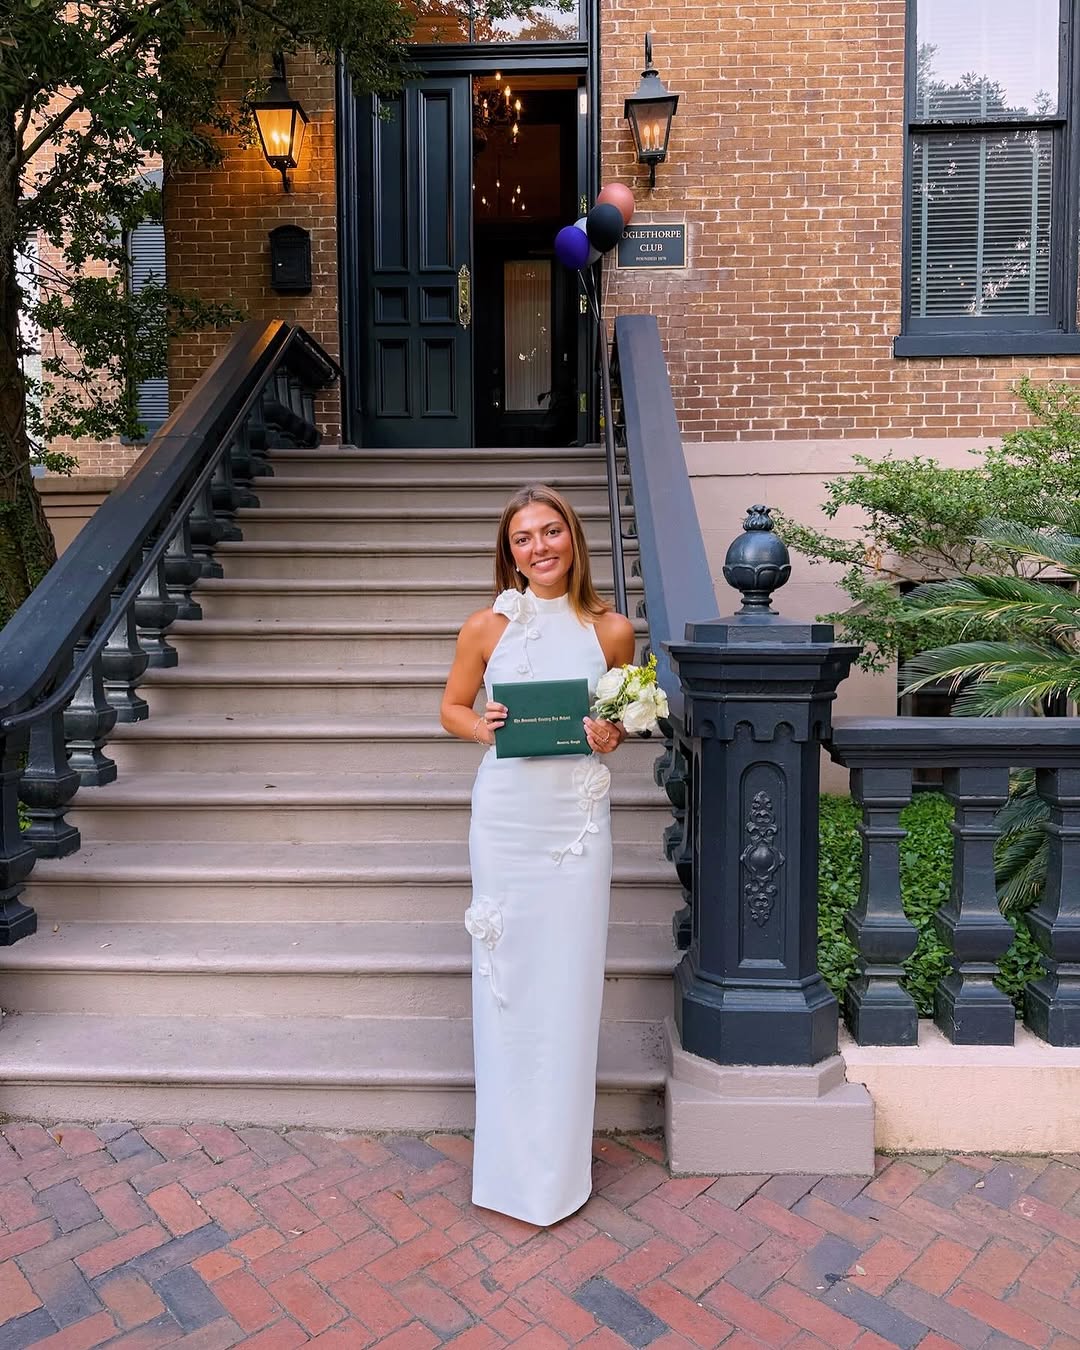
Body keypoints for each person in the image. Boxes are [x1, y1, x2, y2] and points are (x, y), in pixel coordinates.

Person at [440, 484, 636, 1226]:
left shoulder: (612, 631)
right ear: (510, 553)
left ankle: (558, 1170)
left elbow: (616, 723)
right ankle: (508, 1170)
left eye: (550, 532)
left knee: (568, 983)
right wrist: (483, 726)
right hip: (507, 821)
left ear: (572, 538)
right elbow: (451, 708)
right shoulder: (485, 627)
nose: (539, 547)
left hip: (574, 826)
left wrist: (612, 735)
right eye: (523, 538)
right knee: (509, 984)